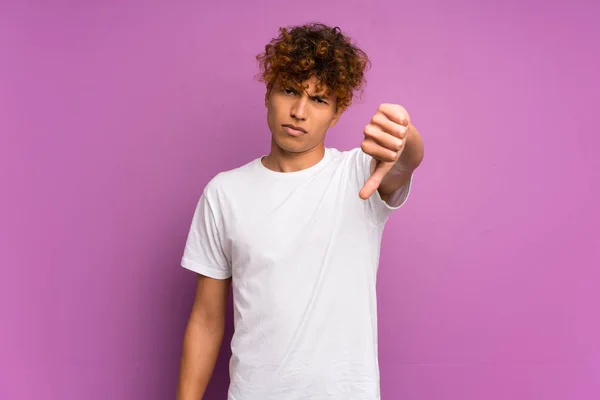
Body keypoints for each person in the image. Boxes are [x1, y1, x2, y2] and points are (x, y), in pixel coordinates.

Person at [176, 22, 424, 400]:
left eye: (319, 100)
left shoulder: (359, 174)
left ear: (336, 114)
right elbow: (207, 321)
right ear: (268, 94)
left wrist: (405, 140)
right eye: (289, 91)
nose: (299, 111)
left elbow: (405, 162)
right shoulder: (224, 193)